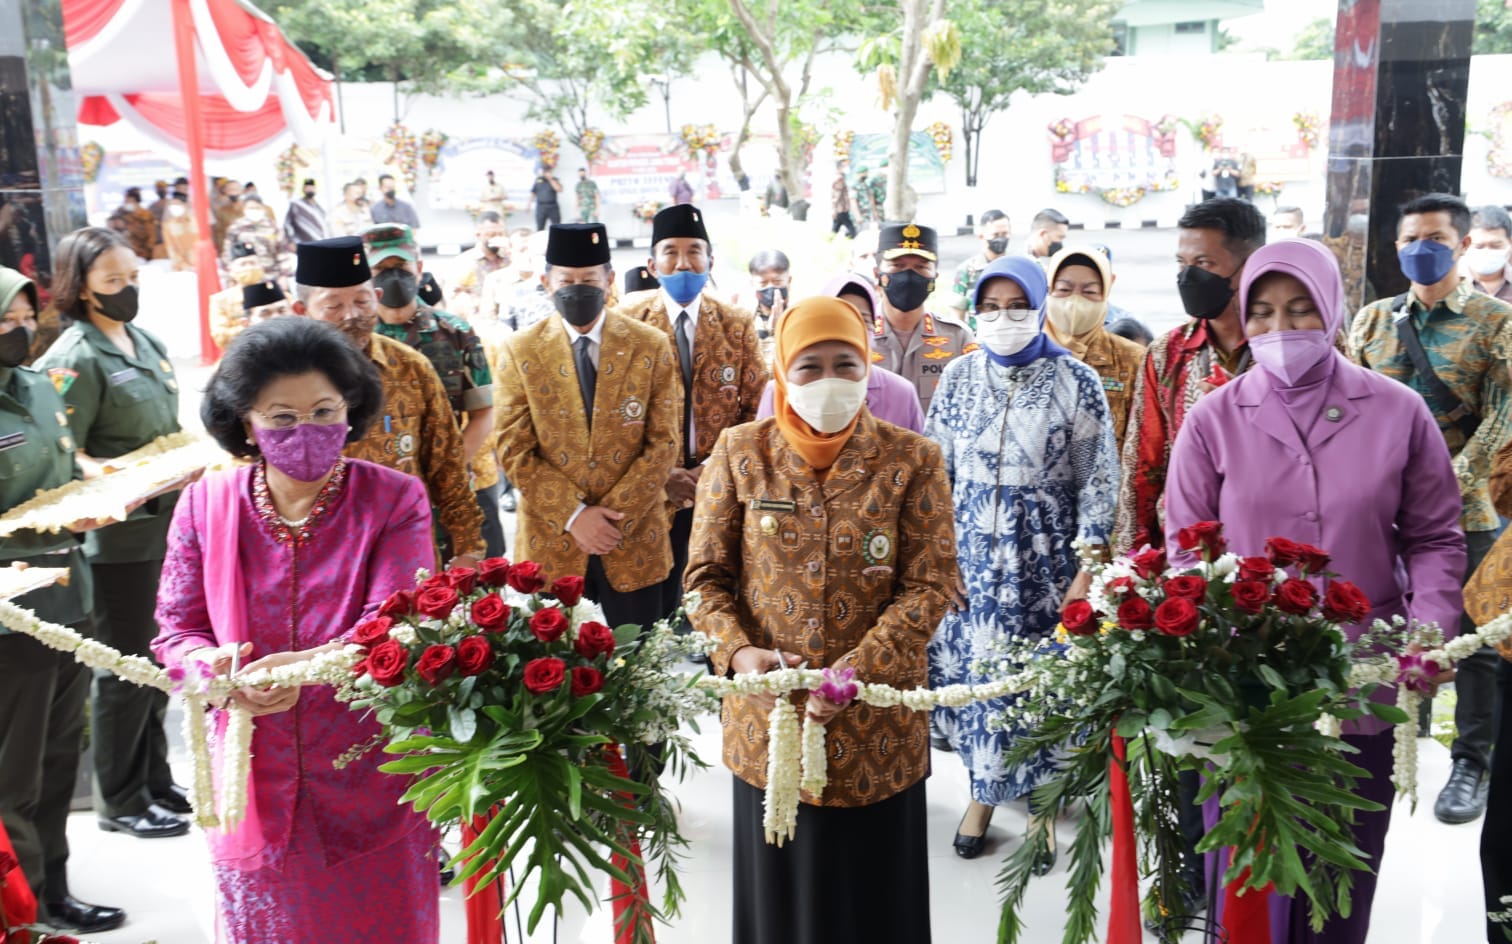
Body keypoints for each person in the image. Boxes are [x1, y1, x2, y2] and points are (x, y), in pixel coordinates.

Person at [1165, 238, 1466, 943]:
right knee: (1244, 876)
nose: (1280, 330)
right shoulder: (1213, 419)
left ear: (1332, 311)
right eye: (1263, 313)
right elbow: (1186, 547)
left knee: (1339, 875)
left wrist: (1428, 630)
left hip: (1361, 680)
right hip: (1244, 684)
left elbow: (1434, 538)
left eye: (1300, 310)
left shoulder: (1397, 412)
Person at [152, 316, 439, 944]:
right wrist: (217, 674)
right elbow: (175, 630)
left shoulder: (394, 499)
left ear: (351, 409)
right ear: (245, 422)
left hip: (372, 766)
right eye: (281, 417)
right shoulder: (204, 507)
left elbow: (397, 621)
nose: (304, 432)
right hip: (251, 777)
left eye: (323, 411)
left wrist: (300, 669)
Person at [685, 296, 955, 944]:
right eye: (809, 366)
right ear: (781, 369)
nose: (829, 380)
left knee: (875, 904)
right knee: (783, 905)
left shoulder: (912, 458)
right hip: (768, 730)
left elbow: (931, 584)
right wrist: (741, 656)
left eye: (845, 363)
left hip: (878, 731)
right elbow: (703, 581)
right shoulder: (739, 452)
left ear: (868, 367)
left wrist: (854, 672)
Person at [925, 255, 1118, 863]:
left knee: (1043, 685)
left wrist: (1087, 572)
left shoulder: (1077, 381)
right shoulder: (957, 377)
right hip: (974, 563)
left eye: (1016, 305)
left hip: (1047, 563)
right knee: (985, 685)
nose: (1002, 317)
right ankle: (982, 796)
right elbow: (934, 475)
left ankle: (1043, 805)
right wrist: (938, 559)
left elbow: (1098, 483)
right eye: (989, 306)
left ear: (1038, 306)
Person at [1347, 192, 1512, 826]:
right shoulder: (1371, 322)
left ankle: (1471, 759)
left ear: (1463, 243)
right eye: (1410, 238)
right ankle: (1381, 729)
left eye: (1436, 237)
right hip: (1379, 505)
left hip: (1468, 508)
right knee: (1379, 617)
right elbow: (1352, 404)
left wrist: (1446, 480)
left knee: (1474, 635)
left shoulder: (1496, 323)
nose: (1423, 249)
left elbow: (1504, 415)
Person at [32, 228, 191, 841]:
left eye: (132, 278)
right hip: (117, 540)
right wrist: (118, 472)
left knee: (159, 662)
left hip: (165, 528)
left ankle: (152, 778)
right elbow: (63, 452)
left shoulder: (142, 340)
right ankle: (120, 798)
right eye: (112, 282)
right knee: (124, 667)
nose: (127, 290)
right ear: (82, 288)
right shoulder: (76, 357)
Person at [0, 266, 126, 935]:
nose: (19, 333)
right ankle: (21, 917)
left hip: (66, 602)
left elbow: (63, 464)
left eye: (26, 320)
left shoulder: (38, 387)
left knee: (56, 762)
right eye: (5, 323)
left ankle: (54, 895)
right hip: (10, 615)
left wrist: (93, 494)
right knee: (13, 779)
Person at [493, 222, 677, 627]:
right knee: (558, 677)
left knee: (639, 671)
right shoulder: (520, 350)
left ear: (609, 280)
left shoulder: (650, 344)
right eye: (568, 280)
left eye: (590, 280)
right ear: (546, 281)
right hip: (551, 545)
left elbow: (664, 443)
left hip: (631, 539)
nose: (579, 289)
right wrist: (576, 516)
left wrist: (607, 519)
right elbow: (512, 447)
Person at [290, 236, 485, 567]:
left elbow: (448, 465)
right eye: (333, 306)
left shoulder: (410, 366)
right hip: (317, 559)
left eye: (362, 302)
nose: (351, 315)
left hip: (407, 552)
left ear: (377, 297)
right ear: (301, 310)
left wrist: (469, 549)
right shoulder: (281, 377)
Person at [618, 206, 768, 618]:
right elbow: (615, 416)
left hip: (718, 489)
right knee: (651, 610)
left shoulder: (735, 322)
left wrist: (715, 468)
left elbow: (756, 408)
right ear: (652, 263)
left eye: (694, 252)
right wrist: (659, 475)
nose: (683, 263)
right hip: (649, 495)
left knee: (720, 606)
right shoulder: (627, 321)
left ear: (710, 261)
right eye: (671, 252)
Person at [1115, 196, 1266, 554]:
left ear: (1250, 266)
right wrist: (1129, 561)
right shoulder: (1168, 353)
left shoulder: (1296, 342)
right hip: (1188, 550)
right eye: (1182, 263)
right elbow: (1144, 463)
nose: (1188, 276)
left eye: (1204, 263)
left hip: (1277, 542)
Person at [361, 223, 502, 559]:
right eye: (381, 270)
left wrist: (445, 473)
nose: (392, 277)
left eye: (401, 268)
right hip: (379, 495)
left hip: (454, 489)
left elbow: (482, 414)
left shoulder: (455, 333)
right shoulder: (355, 339)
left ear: (419, 269)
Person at [755, 273, 925, 433]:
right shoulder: (777, 392)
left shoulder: (902, 393)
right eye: (841, 318)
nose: (852, 329)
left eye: (863, 320)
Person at [1043, 245, 1146, 451]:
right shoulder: (1027, 356)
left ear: (1106, 293)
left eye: (1089, 292)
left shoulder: (1133, 359)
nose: (1075, 302)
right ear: (1048, 289)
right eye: (1064, 290)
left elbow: (1144, 444)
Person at [868, 222, 975, 417]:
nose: (908, 276)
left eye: (921, 267)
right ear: (877, 274)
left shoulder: (958, 338)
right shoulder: (858, 335)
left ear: (935, 277)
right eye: (897, 266)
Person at [949, 209, 1011, 327]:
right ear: (982, 236)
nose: (1001, 239)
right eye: (996, 235)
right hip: (978, 342)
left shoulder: (1015, 268)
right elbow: (957, 318)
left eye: (1004, 234)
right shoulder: (966, 270)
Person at [447, 212, 509, 319]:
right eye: (492, 235)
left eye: (501, 234)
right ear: (478, 235)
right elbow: (453, 296)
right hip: (477, 318)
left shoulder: (510, 258)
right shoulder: (463, 262)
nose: (497, 238)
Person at [222, 196, 281, 280]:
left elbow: (283, 252)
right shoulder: (236, 227)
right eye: (250, 208)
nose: (254, 210)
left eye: (257, 207)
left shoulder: (272, 227)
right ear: (244, 209)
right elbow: (228, 253)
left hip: (271, 274)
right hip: (246, 275)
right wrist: (229, 276)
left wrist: (284, 275)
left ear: (262, 208)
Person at [747, 249, 790, 362]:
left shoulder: (798, 317)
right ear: (752, 284)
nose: (771, 288)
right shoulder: (746, 321)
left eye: (777, 282)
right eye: (763, 283)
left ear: (789, 280)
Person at [1466, 204, 1512, 303]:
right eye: (1479, 246)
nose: (1487, 252)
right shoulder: (1449, 285)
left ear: (1510, 242)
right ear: (1465, 244)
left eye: (1496, 246)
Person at [107, 188, 157, 261]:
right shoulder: (120, 212)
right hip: (123, 251)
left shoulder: (145, 215)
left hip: (141, 253)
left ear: (133, 199)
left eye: (127, 199)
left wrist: (148, 251)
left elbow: (151, 234)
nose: (125, 201)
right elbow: (111, 226)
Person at [283, 178, 326, 246]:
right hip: (302, 243)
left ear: (315, 189)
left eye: (312, 187)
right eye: (307, 187)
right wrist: (290, 241)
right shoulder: (296, 204)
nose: (309, 189)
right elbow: (287, 224)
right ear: (303, 189)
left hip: (320, 243)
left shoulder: (320, 207)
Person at [525, 166, 563, 232]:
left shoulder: (555, 179)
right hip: (541, 207)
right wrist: (529, 205)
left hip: (553, 206)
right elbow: (533, 193)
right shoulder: (538, 180)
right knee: (540, 227)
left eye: (548, 172)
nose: (546, 173)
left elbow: (559, 189)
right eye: (545, 172)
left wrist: (550, 179)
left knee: (557, 226)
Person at [211, 179, 244, 252]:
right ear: (225, 192)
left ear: (241, 191)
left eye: (235, 190)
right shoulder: (222, 211)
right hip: (232, 249)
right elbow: (219, 234)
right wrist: (222, 251)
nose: (233, 193)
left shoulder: (250, 208)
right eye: (230, 190)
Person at [831, 169, 857, 238]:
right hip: (841, 209)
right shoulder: (839, 180)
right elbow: (836, 197)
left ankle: (830, 239)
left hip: (841, 209)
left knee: (836, 228)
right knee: (850, 227)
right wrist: (834, 209)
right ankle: (852, 237)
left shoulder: (839, 180)